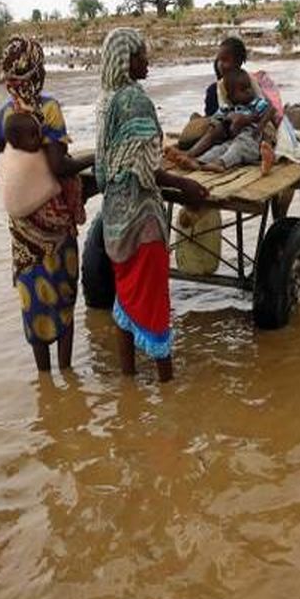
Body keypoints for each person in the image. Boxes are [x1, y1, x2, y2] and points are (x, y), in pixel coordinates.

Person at [94, 28, 209, 382]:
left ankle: (128, 381)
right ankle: (166, 385)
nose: (148, 61)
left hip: (114, 216)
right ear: (126, 61)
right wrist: (183, 184)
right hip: (142, 216)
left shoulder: (106, 99)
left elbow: (103, 168)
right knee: (155, 304)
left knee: (126, 300)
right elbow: (146, 169)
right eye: (141, 55)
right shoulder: (134, 101)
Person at [0, 36, 92, 372]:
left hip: (23, 234)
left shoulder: (1, 117)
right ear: (37, 71)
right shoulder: (49, 109)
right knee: (64, 301)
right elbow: (60, 166)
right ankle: (67, 373)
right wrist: (92, 158)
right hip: (57, 230)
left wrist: (18, 176)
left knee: (34, 304)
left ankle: (46, 383)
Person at [182, 68, 277, 173]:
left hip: (250, 141)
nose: (248, 91)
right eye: (242, 89)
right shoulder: (228, 108)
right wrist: (227, 120)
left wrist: (259, 125)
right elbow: (216, 120)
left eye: (248, 87)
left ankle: (221, 164)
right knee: (220, 148)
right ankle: (198, 162)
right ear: (231, 97)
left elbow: (272, 108)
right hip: (231, 140)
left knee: (238, 148)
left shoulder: (256, 103)